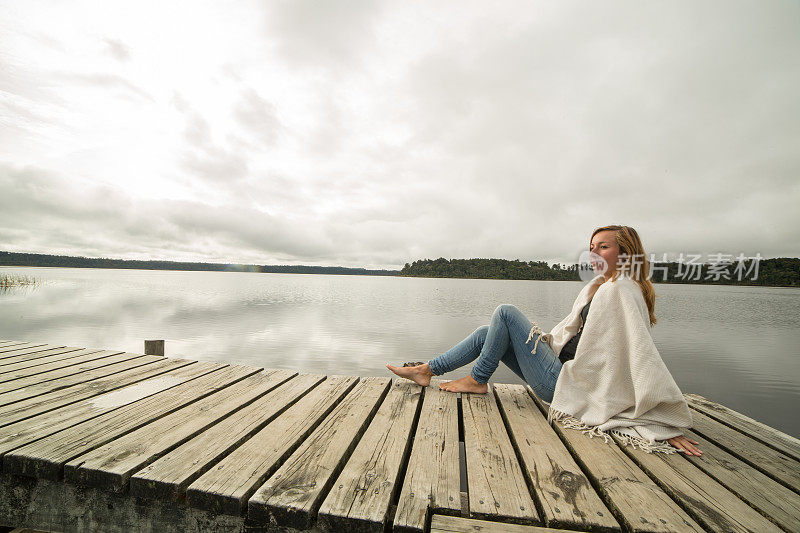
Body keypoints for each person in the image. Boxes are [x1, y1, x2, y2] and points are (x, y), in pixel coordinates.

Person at [388, 225, 702, 456]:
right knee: (488, 333)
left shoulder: (618, 290)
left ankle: (476, 379)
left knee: (506, 313)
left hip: (563, 383)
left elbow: (641, 357)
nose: (593, 253)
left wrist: (655, 416)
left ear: (625, 252)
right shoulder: (603, 286)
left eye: (603, 247)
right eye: (591, 247)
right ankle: (428, 369)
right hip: (560, 371)